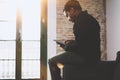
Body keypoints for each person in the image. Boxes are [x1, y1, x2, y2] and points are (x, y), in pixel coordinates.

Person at [48, 0, 101, 80]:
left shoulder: (79, 23)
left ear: (72, 10)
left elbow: (80, 47)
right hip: (94, 56)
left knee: (52, 61)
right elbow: (86, 41)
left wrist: (66, 47)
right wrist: (72, 42)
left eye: (67, 15)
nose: (68, 19)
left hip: (85, 58)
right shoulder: (91, 19)